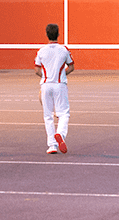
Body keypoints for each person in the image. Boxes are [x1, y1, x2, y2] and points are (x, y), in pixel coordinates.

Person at [34, 23, 74, 154]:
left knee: (48, 116)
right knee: (64, 113)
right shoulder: (63, 50)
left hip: (46, 85)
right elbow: (71, 66)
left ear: (46, 34)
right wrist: (62, 75)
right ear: (58, 34)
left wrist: (45, 77)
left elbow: (37, 70)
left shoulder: (41, 51)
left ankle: (52, 146)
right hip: (60, 85)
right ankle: (60, 135)